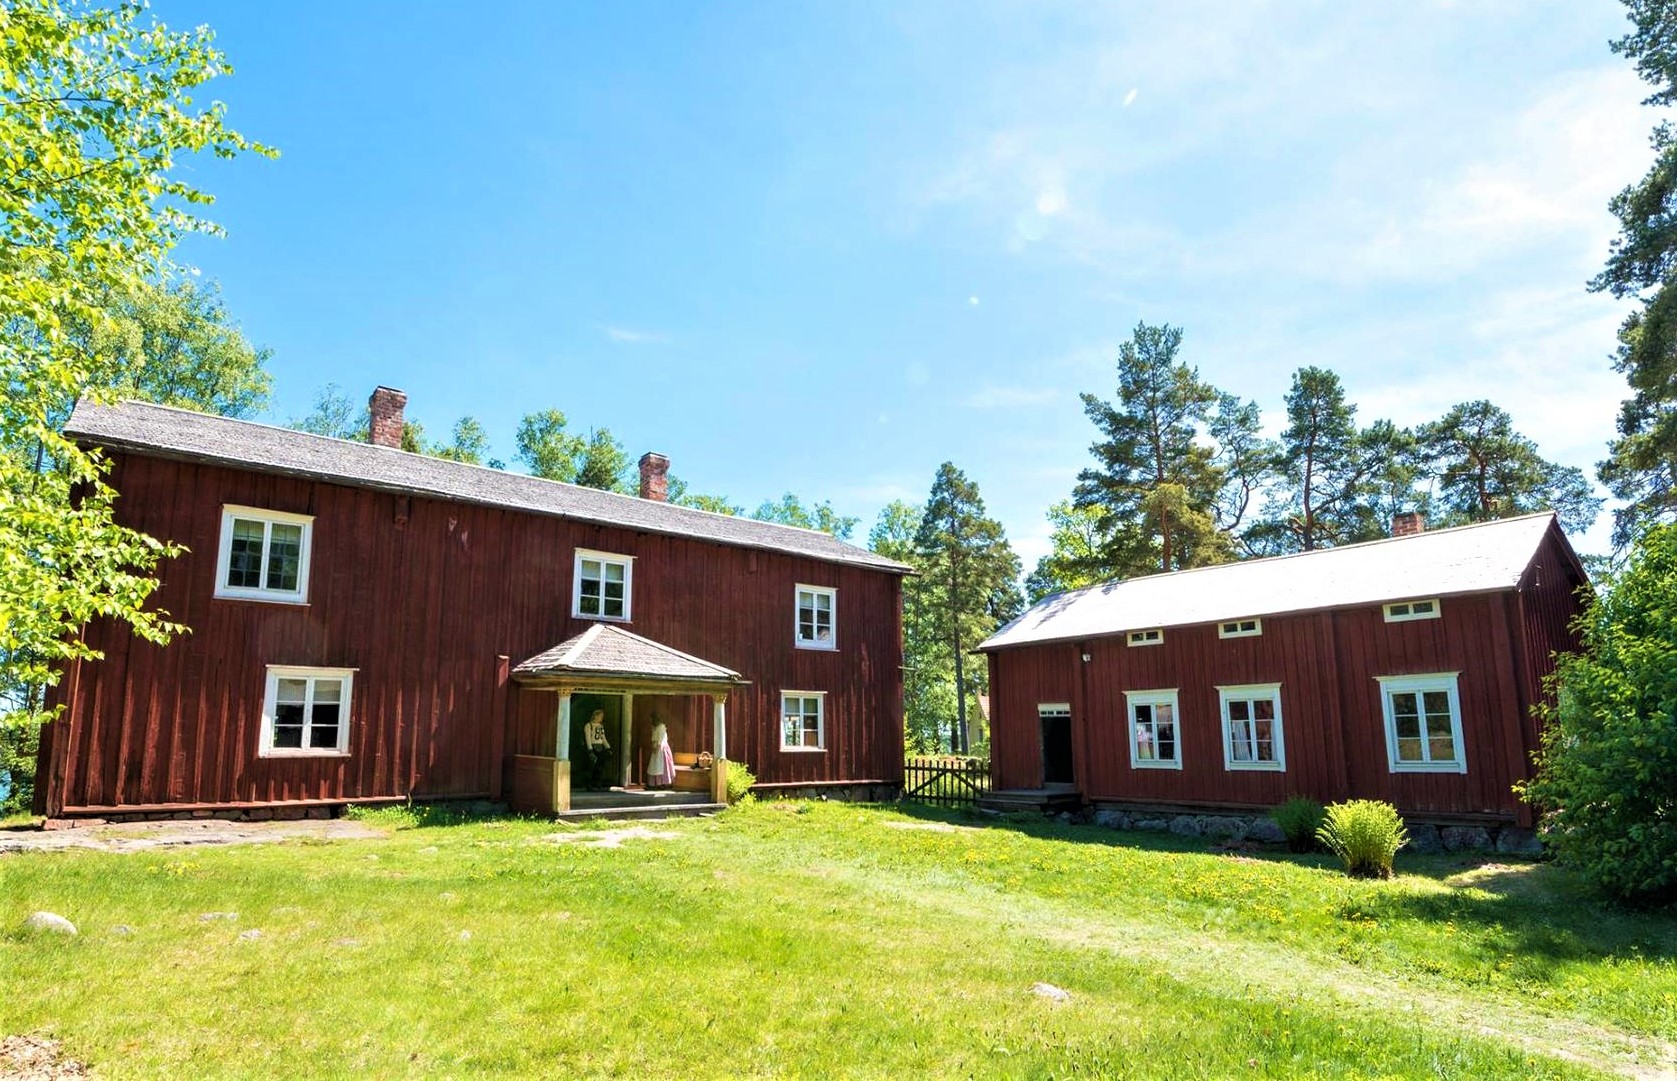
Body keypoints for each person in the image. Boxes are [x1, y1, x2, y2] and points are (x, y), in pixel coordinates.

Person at [583, 709, 611, 789]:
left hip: (600, 747)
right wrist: (590, 750)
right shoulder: (589, 725)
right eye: (600, 716)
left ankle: (597, 784)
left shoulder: (600, 726)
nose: (601, 718)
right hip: (593, 747)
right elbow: (588, 738)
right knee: (591, 767)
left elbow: (603, 738)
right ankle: (589, 784)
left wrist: (608, 748)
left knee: (600, 767)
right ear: (595, 716)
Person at [646, 720, 675, 789]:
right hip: (655, 747)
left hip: (661, 748)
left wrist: (658, 745)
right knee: (654, 765)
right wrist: (653, 746)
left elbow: (661, 739)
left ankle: (663, 783)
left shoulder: (662, 727)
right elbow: (653, 738)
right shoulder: (654, 727)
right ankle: (654, 784)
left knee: (662, 765)